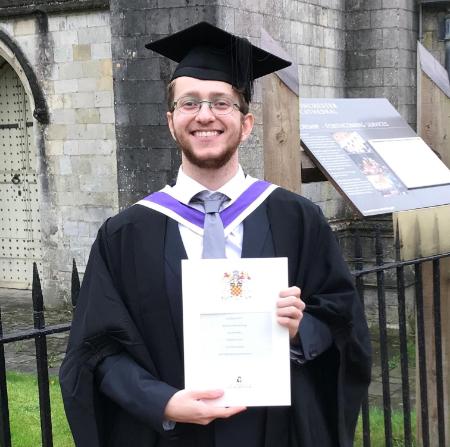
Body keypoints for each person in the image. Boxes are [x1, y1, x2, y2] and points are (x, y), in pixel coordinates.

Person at [60, 21, 371, 447]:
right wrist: (163, 402)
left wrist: (301, 330)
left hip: (276, 434)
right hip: (169, 437)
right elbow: (96, 351)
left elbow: (344, 326)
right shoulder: (125, 234)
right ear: (171, 121)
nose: (204, 115)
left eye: (221, 103)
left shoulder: (298, 219)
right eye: (189, 102)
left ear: (246, 123)